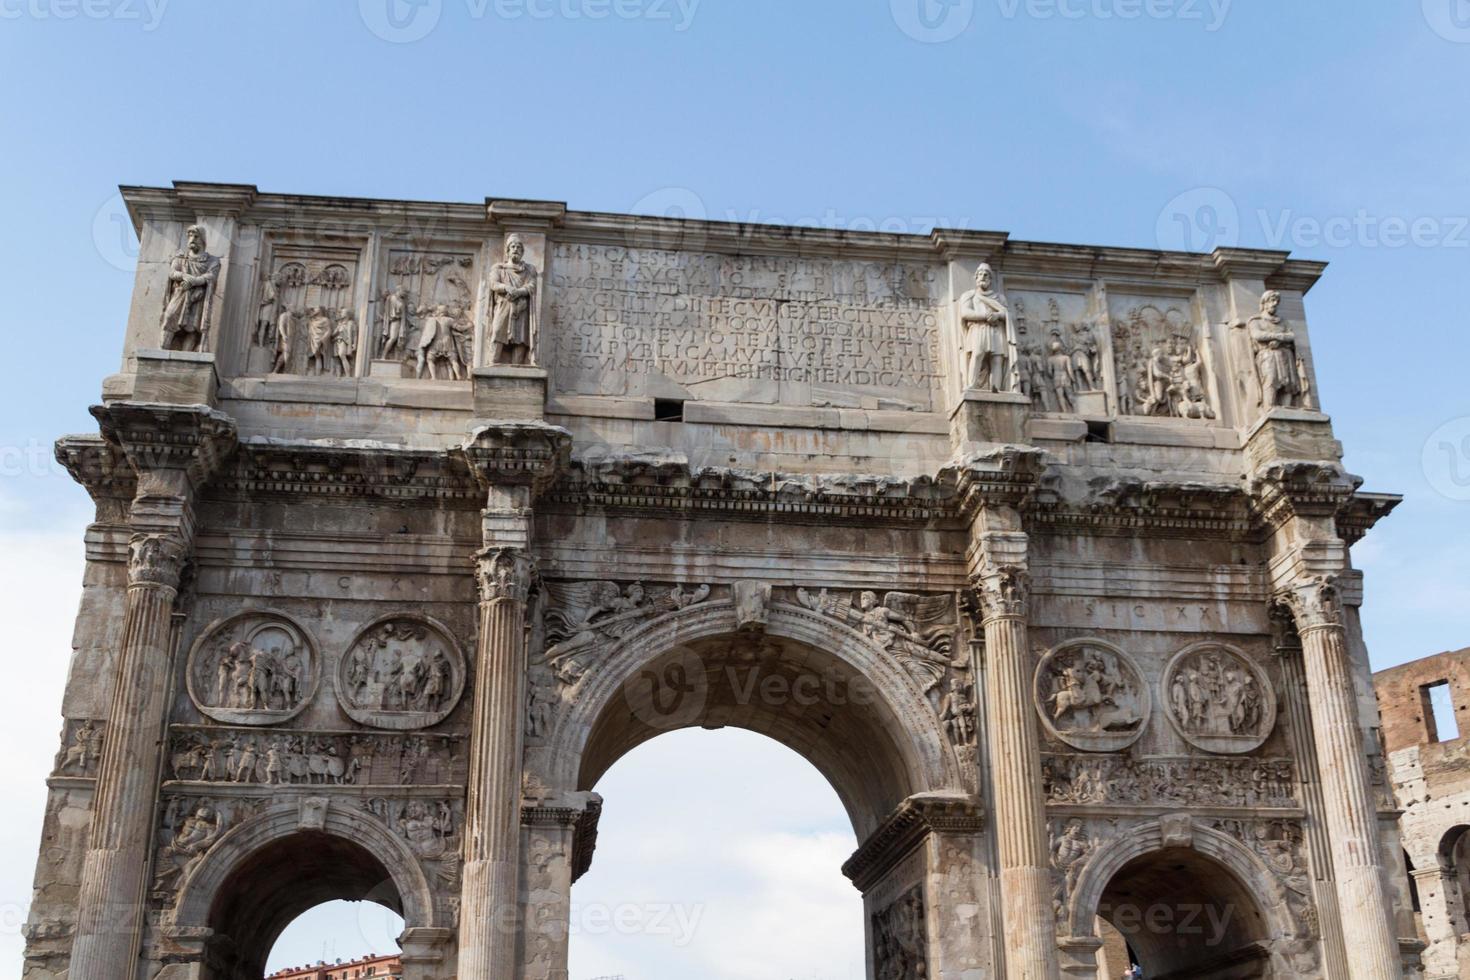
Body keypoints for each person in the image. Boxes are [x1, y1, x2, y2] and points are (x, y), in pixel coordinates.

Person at [159, 225, 221, 351]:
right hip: (180, 293)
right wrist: (185, 276)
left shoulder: (212, 261)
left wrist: (195, 281)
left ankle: (186, 354)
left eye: (196, 236)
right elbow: (172, 272)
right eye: (190, 236)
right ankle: (163, 349)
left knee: (193, 326)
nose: (192, 239)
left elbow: (211, 276)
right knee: (169, 317)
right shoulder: (180, 257)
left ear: (202, 239)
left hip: (198, 296)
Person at [957, 262, 1017, 392]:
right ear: (976, 277)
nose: (983, 277)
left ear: (990, 279)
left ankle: (996, 388)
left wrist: (997, 315)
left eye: (986, 275)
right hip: (978, 329)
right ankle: (971, 385)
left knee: (997, 359)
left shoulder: (999, 298)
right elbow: (965, 313)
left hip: (996, 330)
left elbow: (1006, 313)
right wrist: (985, 315)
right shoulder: (970, 295)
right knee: (977, 355)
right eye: (980, 274)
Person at [489, 234, 538, 365]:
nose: (515, 249)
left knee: (521, 337)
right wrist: (506, 288)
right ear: (508, 250)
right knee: (498, 331)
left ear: (522, 252)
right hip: (504, 304)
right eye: (513, 246)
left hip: (521, 306)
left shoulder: (529, 269)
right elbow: (493, 284)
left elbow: (532, 285)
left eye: (518, 247)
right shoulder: (498, 268)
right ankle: (492, 362)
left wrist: (518, 291)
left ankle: (517, 366)